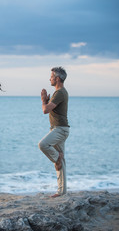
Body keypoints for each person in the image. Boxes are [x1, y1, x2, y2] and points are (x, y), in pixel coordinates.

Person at [38, 67, 70, 198]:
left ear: (57, 78)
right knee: (61, 161)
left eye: (51, 76)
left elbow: (45, 110)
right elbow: (49, 110)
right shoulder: (60, 92)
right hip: (59, 128)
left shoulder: (59, 93)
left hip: (60, 129)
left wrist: (43, 100)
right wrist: (46, 101)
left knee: (43, 145)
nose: (49, 79)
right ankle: (61, 191)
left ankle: (56, 157)